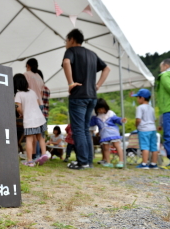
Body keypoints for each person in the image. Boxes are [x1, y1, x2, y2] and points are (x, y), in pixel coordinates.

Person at [62, 29, 110, 170]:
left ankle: (82, 162)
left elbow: (66, 63)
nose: (66, 43)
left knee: (78, 130)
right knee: (84, 129)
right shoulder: (92, 54)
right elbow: (107, 68)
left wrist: (70, 83)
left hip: (78, 96)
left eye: (66, 40)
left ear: (71, 39)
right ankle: (88, 161)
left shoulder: (71, 51)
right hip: (92, 97)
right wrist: (98, 85)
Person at [14, 73, 49, 167]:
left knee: (29, 140)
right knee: (41, 138)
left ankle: (30, 161)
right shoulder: (32, 91)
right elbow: (38, 103)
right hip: (40, 118)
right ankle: (44, 154)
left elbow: (18, 108)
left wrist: (22, 113)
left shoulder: (18, 94)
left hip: (29, 120)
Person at [86, 98, 126, 169]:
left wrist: (121, 120)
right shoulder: (96, 117)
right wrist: (85, 122)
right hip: (104, 134)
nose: (101, 111)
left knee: (117, 145)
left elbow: (116, 119)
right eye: (98, 109)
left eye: (102, 109)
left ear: (106, 107)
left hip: (113, 132)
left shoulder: (110, 113)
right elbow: (91, 123)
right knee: (105, 148)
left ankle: (121, 161)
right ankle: (108, 162)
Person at [132, 89, 159, 169]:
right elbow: (154, 120)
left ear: (142, 98)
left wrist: (136, 126)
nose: (137, 99)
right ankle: (154, 164)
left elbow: (138, 119)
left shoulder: (140, 108)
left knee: (145, 147)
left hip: (144, 129)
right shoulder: (151, 108)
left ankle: (144, 164)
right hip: (153, 129)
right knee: (154, 147)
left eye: (138, 97)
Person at [24, 58, 45, 159]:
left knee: (30, 132)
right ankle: (37, 154)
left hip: (31, 104)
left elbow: (24, 89)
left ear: (28, 65)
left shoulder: (26, 74)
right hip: (40, 104)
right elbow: (41, 93)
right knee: (37, 132)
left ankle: (31, 156)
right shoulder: (39, 77)